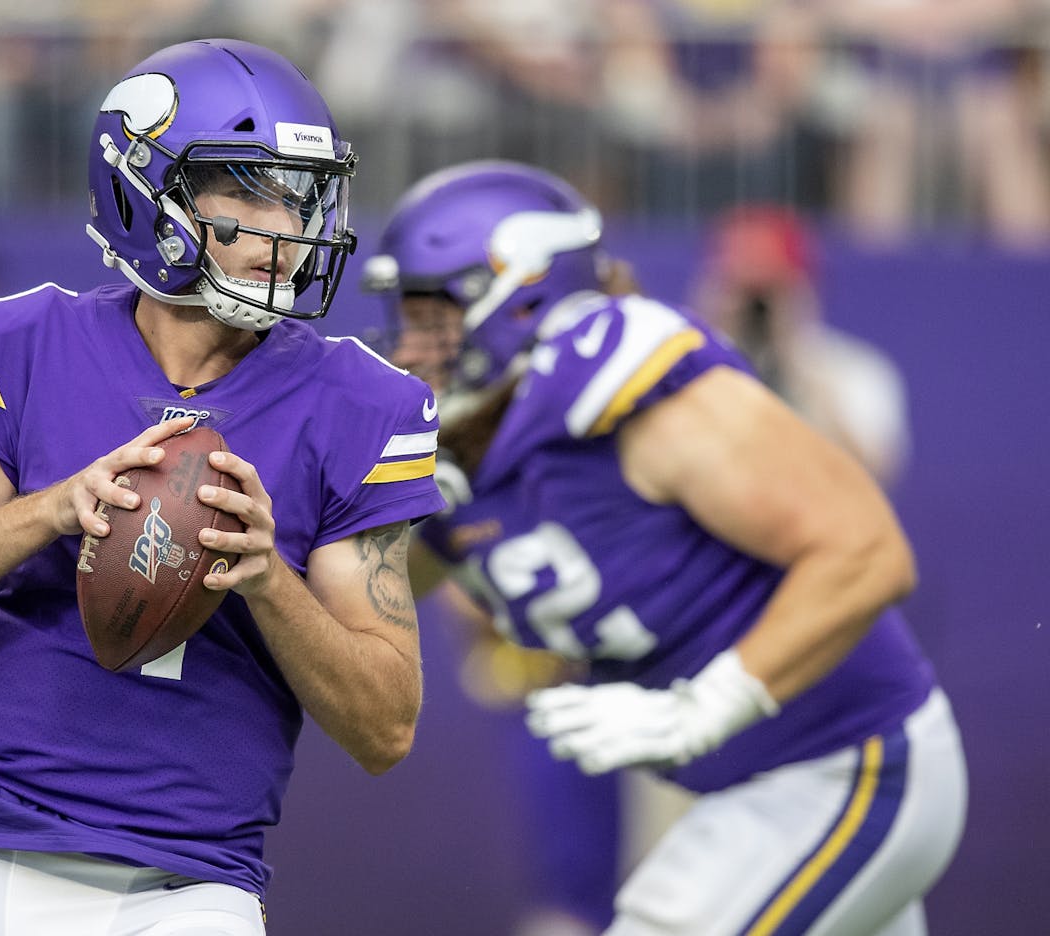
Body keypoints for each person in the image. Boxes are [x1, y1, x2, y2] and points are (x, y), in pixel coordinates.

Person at [0, 38, 444, 936]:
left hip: (189, 885)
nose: (289, 226)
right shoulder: (26, 344)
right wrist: (48, 508)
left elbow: (385, 729)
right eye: (249, 187)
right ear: (144, 188)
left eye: (301, 194)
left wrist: (270, 578)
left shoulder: (365, 405)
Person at [364, 159, 967, 935]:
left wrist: (706, 705)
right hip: (744, 784)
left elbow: (870, 553)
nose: (412, 345)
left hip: (846, 763)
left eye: (432, 316)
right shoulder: (463, 446)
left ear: (520, 296)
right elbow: (372, 587)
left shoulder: (640, 394)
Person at [690, 203, 911, 487]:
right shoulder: (692, 365)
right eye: (744, 289)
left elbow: (875, 473)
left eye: (771, 290)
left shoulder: (854, 369)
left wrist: (796, 359)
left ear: (807, 290)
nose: (757, 305)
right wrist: (708, 338)